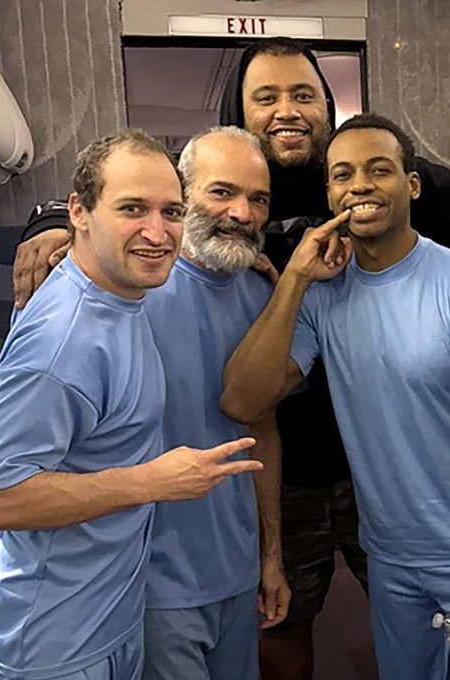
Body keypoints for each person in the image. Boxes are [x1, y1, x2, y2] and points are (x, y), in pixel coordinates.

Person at [9, 36, 450, 679]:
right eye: (266, 97)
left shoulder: (368, 164)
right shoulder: (203, 201)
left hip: (380, 479)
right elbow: (118, 190)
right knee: (283, 627)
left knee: (414, 625)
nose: (288, 111)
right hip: (283, 468)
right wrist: (54, 219)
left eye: (305, 95)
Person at [221, 113, 450, 680]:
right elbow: (244, 400)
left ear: (412, 186)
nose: (359, 184)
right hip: (389, 560)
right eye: (343, 174)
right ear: (331, 194)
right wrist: (294, 279)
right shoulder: (323, 296)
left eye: (378, 170)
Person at [0, 129, 263, 680]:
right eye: (132, 209)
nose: (157, 232)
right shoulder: (61, 341)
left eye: (171, 211)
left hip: (106, 624)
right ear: (78, 211)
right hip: (46, 645)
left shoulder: (125, 298)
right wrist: (152, 483)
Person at [140, 126, 288, 679]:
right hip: (155, 586)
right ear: (181, 194)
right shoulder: (133, 287)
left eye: (258, 199)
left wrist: (270, 556)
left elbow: (265, 432)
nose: (243, 214)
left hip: (237, 575)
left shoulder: (261, 293)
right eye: (221, 193)